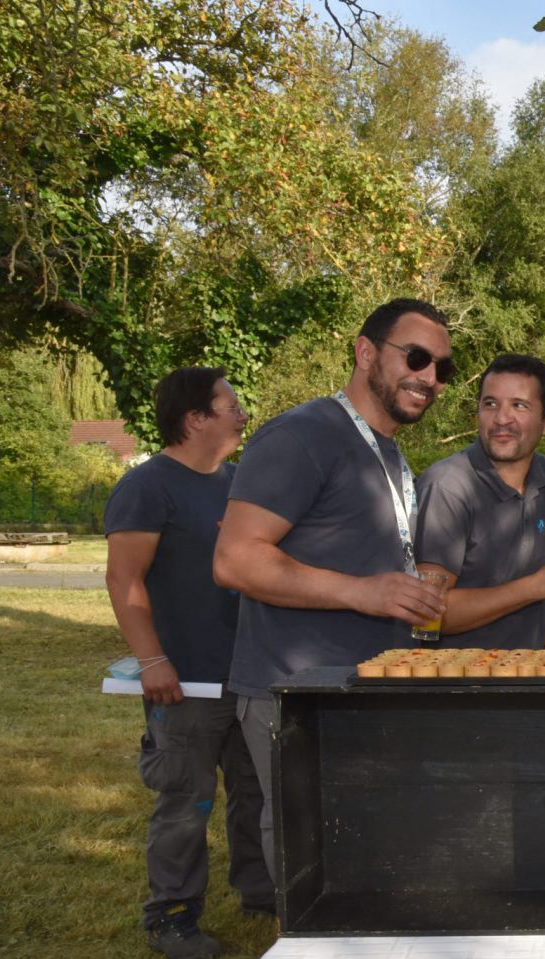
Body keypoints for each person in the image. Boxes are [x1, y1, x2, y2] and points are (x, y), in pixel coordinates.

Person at [215, 297, 454, 882]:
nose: (429, 377)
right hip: (297, 693)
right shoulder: (302, 435)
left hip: (364, 690)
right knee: (313, 863)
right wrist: (362, 592)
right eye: (416, 357)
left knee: (366, 854)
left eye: (442, 367)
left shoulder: (388, 450)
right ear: (365, 352)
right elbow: (235, 560)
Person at [104, 367, 273, 959]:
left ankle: (262, 893)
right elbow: (123, 579)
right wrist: (152, 660)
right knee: (186, 799)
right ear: (195, 418)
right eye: (231, 405)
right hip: (185, 682)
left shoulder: (241, 483)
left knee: (257, 792)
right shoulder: (148, 487)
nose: (242, 414)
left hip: (249, 675)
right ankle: (172, 915)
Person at [413, 354, 545, 649]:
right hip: (457, 674)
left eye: (519, 405)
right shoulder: (447, 486)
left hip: (529, 672)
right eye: (490, 404)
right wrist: (536, 586)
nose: (502, 419)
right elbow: (427, 613)